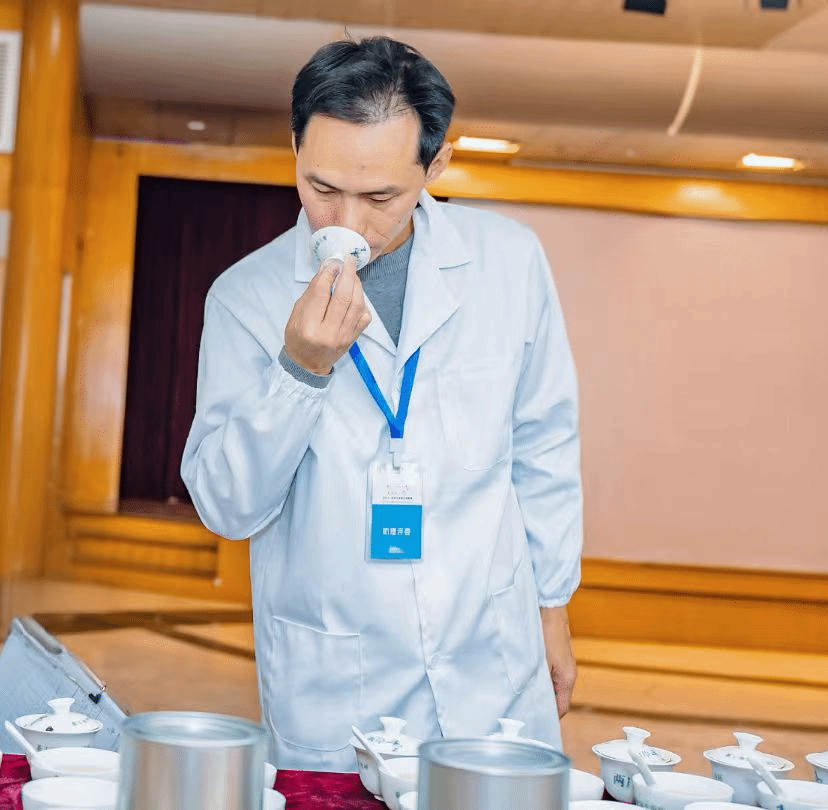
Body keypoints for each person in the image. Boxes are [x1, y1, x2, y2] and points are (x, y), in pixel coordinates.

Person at [180, 36, 583, 772]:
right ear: (295, 149)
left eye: (380, 198)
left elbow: (544, 445)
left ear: (437, 165)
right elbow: (228, 507)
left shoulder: (509, 261)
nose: (347, 222)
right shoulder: (244, 296)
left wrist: (551, 606)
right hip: (337, 673)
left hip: (491, 651)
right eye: (321, 187)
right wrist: (300, 371)